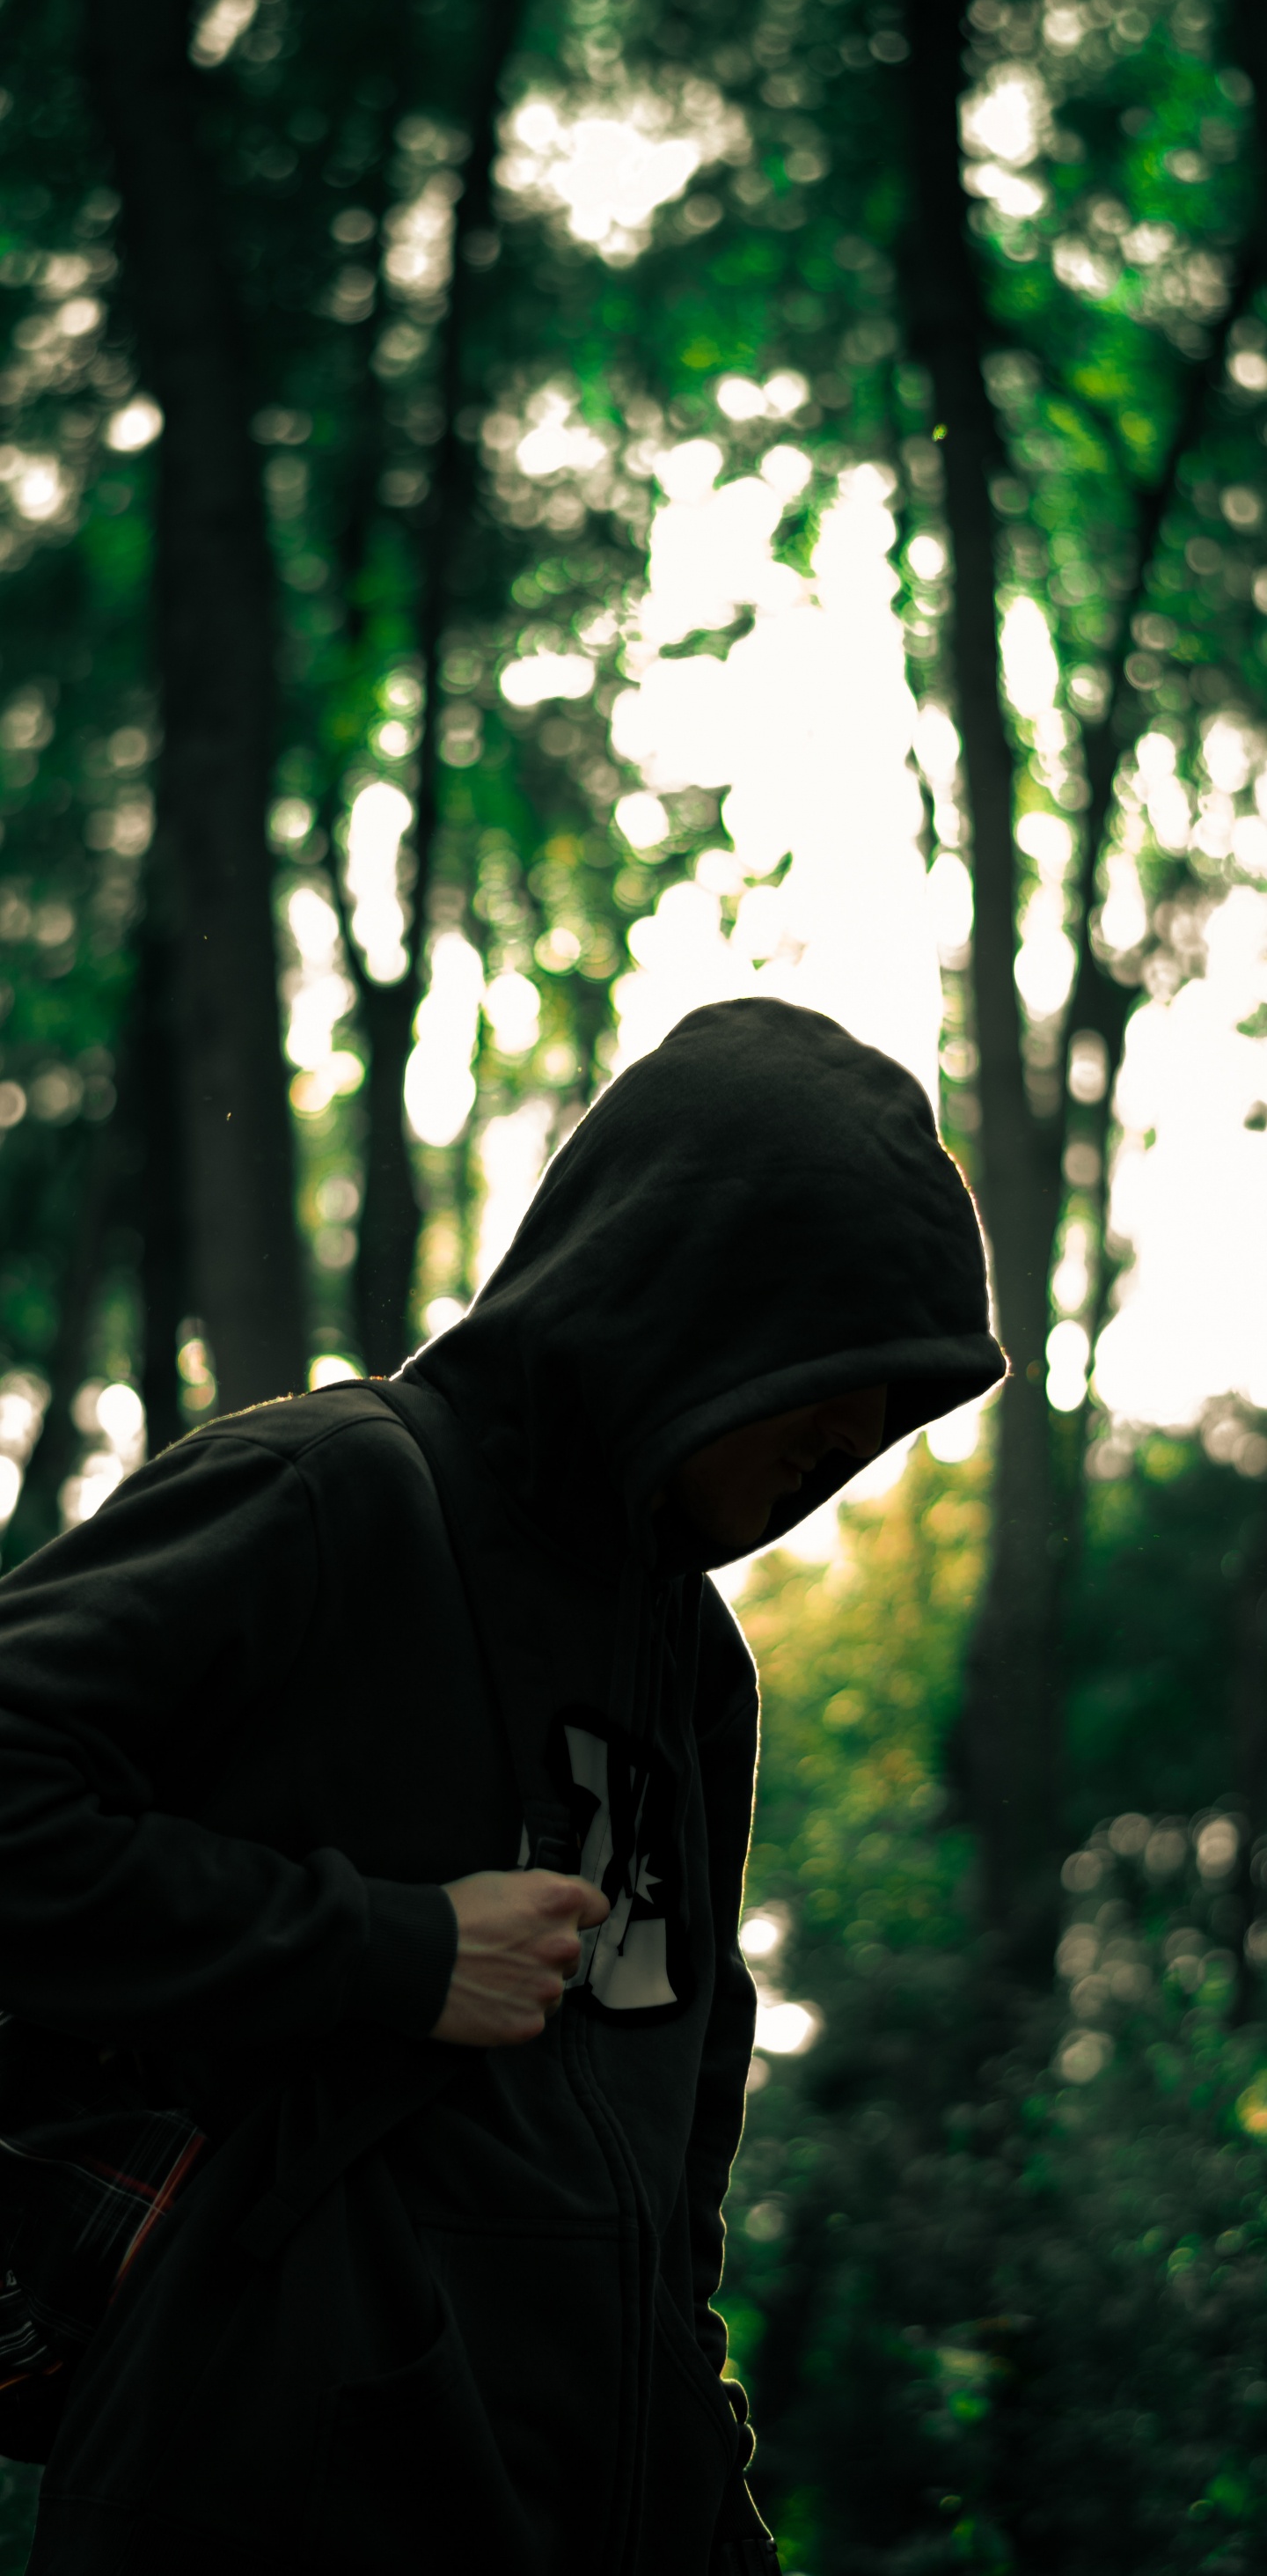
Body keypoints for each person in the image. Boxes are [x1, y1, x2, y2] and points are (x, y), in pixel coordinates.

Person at [0, 997, 1005, 2576]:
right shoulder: (334, 1496)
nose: (853, 1440)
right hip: (253, 2497)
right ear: (691, 1302)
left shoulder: (701, 1669)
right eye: (823, 1377)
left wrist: (695, 2482)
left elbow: (667, 2151)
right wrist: (388, 1949)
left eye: (889, 1406)